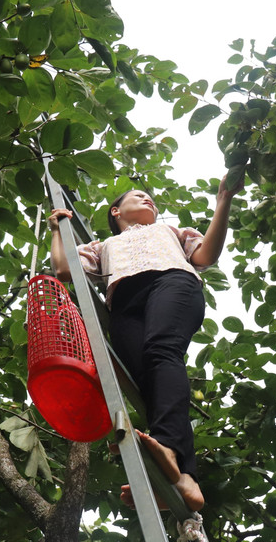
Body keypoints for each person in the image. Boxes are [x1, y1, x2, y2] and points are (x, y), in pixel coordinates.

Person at [48, 173, 241, 511]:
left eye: (149, 197)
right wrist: (56, 230)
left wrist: (223, 200)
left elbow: (205, 256)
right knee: (149, 381)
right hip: (124, 301)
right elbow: (64, 270)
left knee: (161, 350)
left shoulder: (170, 231)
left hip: (172, 282)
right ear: (116, 211)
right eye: (137, 196)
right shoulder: (105, 246)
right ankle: (185, 480)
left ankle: (169, 448)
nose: (147, 198)